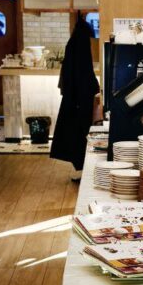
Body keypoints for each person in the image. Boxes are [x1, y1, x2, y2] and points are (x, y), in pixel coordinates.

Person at [50, 14, 101, 174]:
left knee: (74, 132)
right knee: (81, 132)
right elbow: (85, 71)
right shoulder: (81, 43)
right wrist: (95, 87)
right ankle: (81, 167)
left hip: (73, 96)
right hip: (81, 96)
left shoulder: (73, 42)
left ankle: (79, 167)